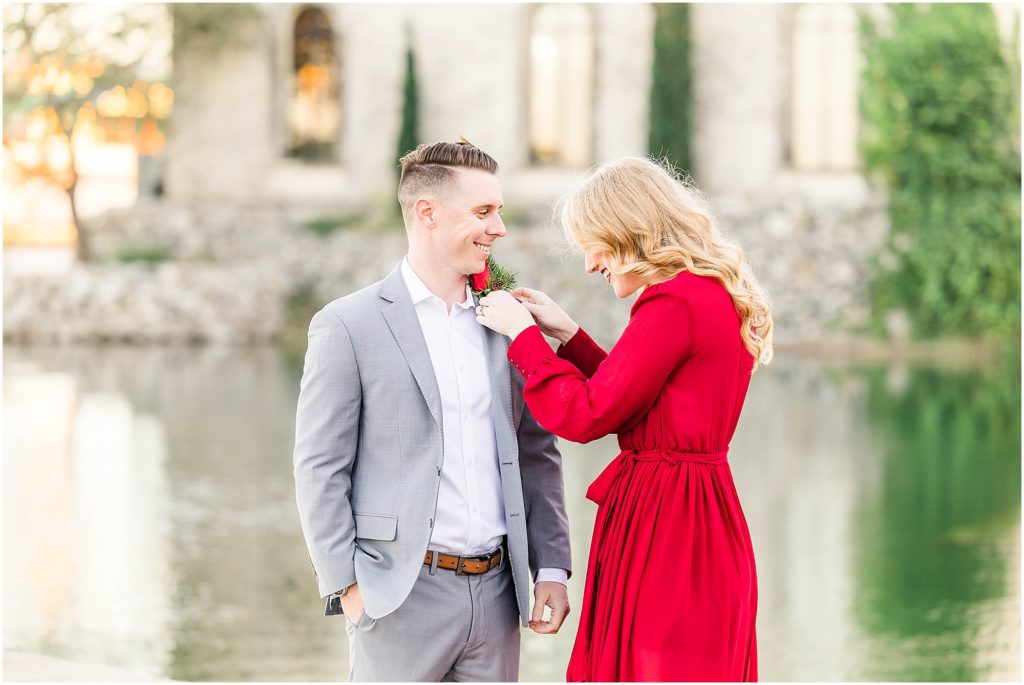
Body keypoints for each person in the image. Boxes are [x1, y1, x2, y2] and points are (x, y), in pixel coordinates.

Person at [476, 156, 773, 682]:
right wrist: (567, 334)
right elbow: (638, 399)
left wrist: (522, 338)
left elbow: (587, 414)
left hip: (668, 525)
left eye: (595, 244)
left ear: (629, 233)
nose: (591, 264)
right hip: (699, 516)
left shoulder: (673, 301)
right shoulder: (706, 292)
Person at [293, 139, 572, 682]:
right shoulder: (347, 325)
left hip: (498, 597)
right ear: (428, 213)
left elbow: (538, 453)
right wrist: (348, 588)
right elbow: (319, 466)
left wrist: (552, 569)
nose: (499, 229)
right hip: (397, 597)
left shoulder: (510, 322)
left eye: (500, 212)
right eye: (484, 212)